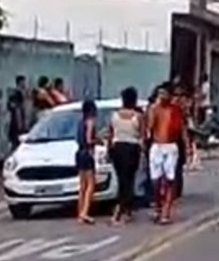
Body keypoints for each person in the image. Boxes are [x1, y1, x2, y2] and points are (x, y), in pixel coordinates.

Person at [147, 85, 185, 224]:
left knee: (170, 180)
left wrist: (188, 147)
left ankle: (166, 212)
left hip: (171, 146)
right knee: (155, 181)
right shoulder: (153, 109)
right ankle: (158, 206)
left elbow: (182, 129)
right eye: (159, 94)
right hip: (157, 146)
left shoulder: (175, 110)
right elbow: (149, 127)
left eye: (164, 94)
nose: (162, 96)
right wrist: (153, 110)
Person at [108, 86, 145, 225]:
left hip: (118, 147)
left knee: (121, 178)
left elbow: (111, 133)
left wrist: (109, 149)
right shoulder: (138, 116)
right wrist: (143, 150)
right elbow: (142, 135)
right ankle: (124, 208)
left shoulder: (114, 115)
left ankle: (123, 207)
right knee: (129, 178)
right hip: (132, 148)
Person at [75, 99, 99, 225]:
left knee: (82, 185)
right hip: (87, 153)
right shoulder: (90, 122)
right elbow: (89, 140)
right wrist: (98, 140)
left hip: (79, 153)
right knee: (91, 184)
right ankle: (85, 212)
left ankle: (80, 213)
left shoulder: (80, 122)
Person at [6, 75, 30, 152]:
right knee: (16, 143)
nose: (25, 84)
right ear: (19, 83)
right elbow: (12, 107)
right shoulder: (15, 94)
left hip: (21, 122)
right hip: (16, 123)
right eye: (23, 82)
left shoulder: (22, 94)